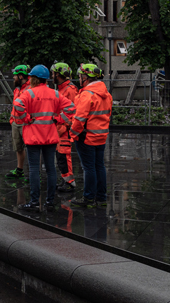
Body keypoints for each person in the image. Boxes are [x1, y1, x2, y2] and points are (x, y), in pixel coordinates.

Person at [13, 64, 74, 212]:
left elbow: (17, 105)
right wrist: (59, 119)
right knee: (51, 169)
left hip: (33, 136)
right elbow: (71, 108)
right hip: (50, 136)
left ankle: (34, 202)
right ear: (46, 79)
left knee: (34, 169)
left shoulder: (30, 93)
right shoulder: (55, 93)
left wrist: (26, 118)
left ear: (33, 79)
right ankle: (50, 202)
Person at [70, 63, 113, 208]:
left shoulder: (86, 94)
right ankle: (101, 198)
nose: (79, 79)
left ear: (86, 77)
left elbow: (79, 118)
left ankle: (88, 199)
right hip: (101, 136)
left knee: (88, 168)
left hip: (86, 137)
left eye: (81, 76)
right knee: (99, 166)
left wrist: (72, 135)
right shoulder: (106, 94)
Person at [50, 63, 78, 193]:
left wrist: (64, 126)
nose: (52, 76)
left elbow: (73, 112)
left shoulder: (69, 90)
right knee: (60, 157)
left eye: (53, 74)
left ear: (59, 74)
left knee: (64, 156)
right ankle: (65, 179)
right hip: (60, 129)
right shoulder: (62, 89)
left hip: (64, 130)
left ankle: (70, 182)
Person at [6, 65, 31, 181]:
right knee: (18, 148)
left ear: (21, 76)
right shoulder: (17, 89)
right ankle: (19, 170)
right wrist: (12, 120)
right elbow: (14, 106)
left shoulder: (30, 89)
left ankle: (33, 173)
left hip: (26, 123)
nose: (14, 78)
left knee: (32, 149)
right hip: (16, 123)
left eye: (15, 76)